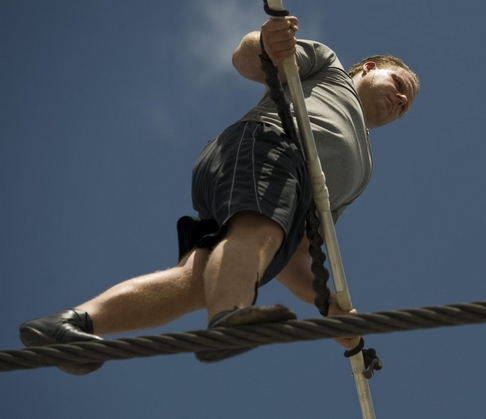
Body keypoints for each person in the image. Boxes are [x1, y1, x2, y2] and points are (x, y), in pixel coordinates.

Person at [19, 16, 420, 375]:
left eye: (406, 105)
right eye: (399, 85)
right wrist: (262, 44)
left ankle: (70, 325)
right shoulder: (329, 70)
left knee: (198, 282)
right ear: (368, 69)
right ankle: (229, 316)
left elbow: (297, 253)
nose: (401, 101)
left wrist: (330, 307)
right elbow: (249, 59)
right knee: (257, 239)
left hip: (277, 202)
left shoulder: (363, 172)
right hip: (268, 149)